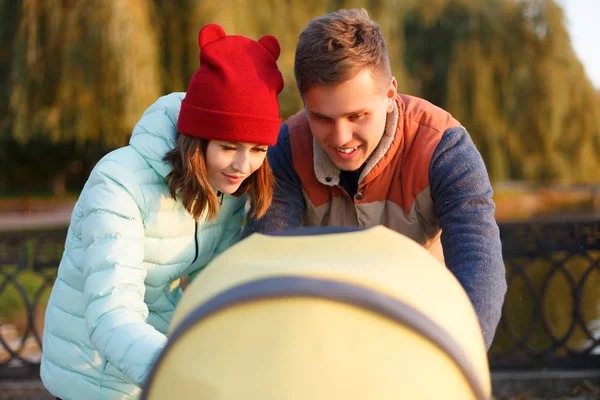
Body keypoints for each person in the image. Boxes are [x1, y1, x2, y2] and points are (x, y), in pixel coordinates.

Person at [40, 23, 284, 400]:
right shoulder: (118, 184)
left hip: (160, 364)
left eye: (258, 149)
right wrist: (183, 375)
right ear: (196, 140)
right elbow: (110, 316)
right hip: (92, 374)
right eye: (228, 146)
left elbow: (212, 287)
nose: (242, 164)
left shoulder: (228, 186)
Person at [243, 8, 506, 349]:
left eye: (357, 115)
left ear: (390, 94)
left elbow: (478, 262)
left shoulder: (445, 148)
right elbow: (267, 264)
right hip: (321, 336)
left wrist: (458, 358)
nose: (340, 137)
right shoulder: (284, 151)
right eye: (321, 118)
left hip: (425, 329)